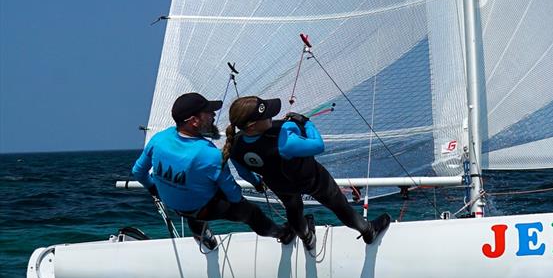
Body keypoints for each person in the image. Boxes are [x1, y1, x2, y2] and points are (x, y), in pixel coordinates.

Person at [221, 96, 391, 251]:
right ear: (252, 125)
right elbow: (318, 145)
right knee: (338, 205)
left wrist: (257, 184)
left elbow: (245, 174)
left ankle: (307, 238)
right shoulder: (284, 138)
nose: (271, 117)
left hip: (279, 185)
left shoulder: (234, 145)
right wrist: (306, 123)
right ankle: (368, 231)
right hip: (311, 179)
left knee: (293, 210)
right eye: (267, 116)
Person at [132, 92, 291, 249]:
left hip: (173, 204)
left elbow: (138, 172)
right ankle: (283, 234)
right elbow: (235, 196)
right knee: (251, 212)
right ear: (194, 121)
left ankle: (202, 236)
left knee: (192, 190)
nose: (213, 115)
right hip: (200, 208)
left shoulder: (159, 138)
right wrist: (256, 182)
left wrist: (154, 189)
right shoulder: (210, 155)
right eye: (208, 113)